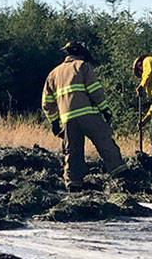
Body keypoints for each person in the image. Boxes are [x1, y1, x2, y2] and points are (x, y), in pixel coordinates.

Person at [42, 41, 131, 191]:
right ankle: (120, 173)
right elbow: (94, 90)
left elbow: (47, 102)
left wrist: (54, 121)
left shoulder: (53, 74)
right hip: (87, 115)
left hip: (67, 119)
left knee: (72, 151)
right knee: (104, 141)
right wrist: (105, 109)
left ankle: (73, 183)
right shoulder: (82, 66)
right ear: (81, 53)